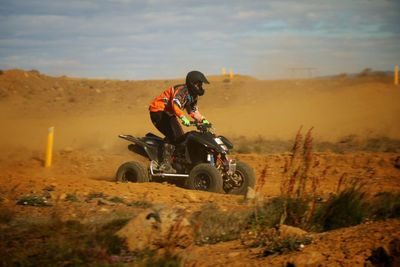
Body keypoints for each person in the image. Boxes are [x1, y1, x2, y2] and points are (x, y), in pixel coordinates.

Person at [149, 70, 210, 172]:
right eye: (199, 84)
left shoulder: (193, 96)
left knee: (180, 137)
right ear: (193, 83)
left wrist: (204, 120)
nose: (201, 87)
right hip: (158, 111)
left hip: (168, 113)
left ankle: (176, 162)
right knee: (174, 136)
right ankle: (165, 164)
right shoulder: (183, 90)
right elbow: (175, 105)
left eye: (201, 85)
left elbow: (193, 111)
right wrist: (183, 118)